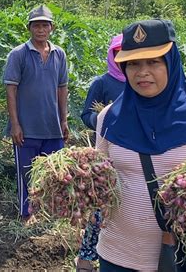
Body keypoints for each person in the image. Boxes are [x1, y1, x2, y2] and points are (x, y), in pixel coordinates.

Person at [95, 19, 186, 270]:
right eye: (133, 63)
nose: (142, 72)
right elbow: (99, 180)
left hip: (176, 259)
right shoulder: (109, 117)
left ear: (171, 62)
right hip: (115, 255)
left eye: (154, 61)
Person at [3, 5, 69, 224]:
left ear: (52, 28)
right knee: (26, 173)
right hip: (27, 127)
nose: (41, 29)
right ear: (29, 28)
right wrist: (15, 124)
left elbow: (62, 88)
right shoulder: (18, 54)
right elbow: (11, 89)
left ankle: (50, 213)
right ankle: (26, 213)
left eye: (45, 25)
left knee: (54, 172)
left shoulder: (59, 54)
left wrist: (64, 119)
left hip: (52, 126)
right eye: (36, 25)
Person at [77, 34, 125, 271]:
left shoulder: (141, 83)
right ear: (111, 55)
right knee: (100, 212)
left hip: (134, 159)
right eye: (117, 53)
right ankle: (86, 260)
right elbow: (86, 114)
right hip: (106, 158)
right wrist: (104, 118)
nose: (121, 58)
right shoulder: (103, 83)